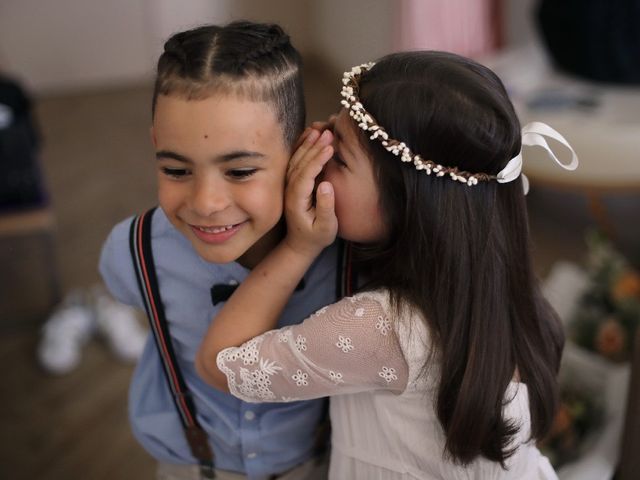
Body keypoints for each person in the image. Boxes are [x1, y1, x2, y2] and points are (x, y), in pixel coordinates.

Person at [196, 51, 579, 479]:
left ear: (407, 201)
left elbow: (218, 362)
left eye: (337, 156)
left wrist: (299, 248)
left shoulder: (382, 327)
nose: (312, 146)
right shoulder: (502, 285)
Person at [99, 21, 342, 480]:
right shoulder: (129, 254)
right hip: (189, 465)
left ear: (300, 153)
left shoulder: (347, 256)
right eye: (176, 169)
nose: (206, 204)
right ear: (155, 144)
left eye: (240, 171)